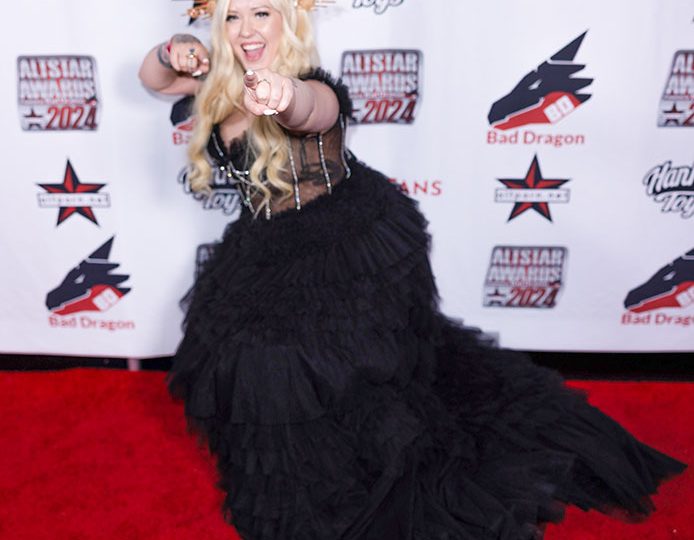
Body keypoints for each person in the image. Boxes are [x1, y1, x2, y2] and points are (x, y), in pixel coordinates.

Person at [139, 1, 686, 538]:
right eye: (232, 16)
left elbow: (312, 110)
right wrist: (171, 52)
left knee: (323, 370)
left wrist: (283, 96)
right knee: (253, 363)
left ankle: (345, 467)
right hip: (265, 244)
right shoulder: (218, 82)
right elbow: (155, 80)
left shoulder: (314, 86)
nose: (246, 29)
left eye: (261, 13)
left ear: (289, 19)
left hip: (342, 245)